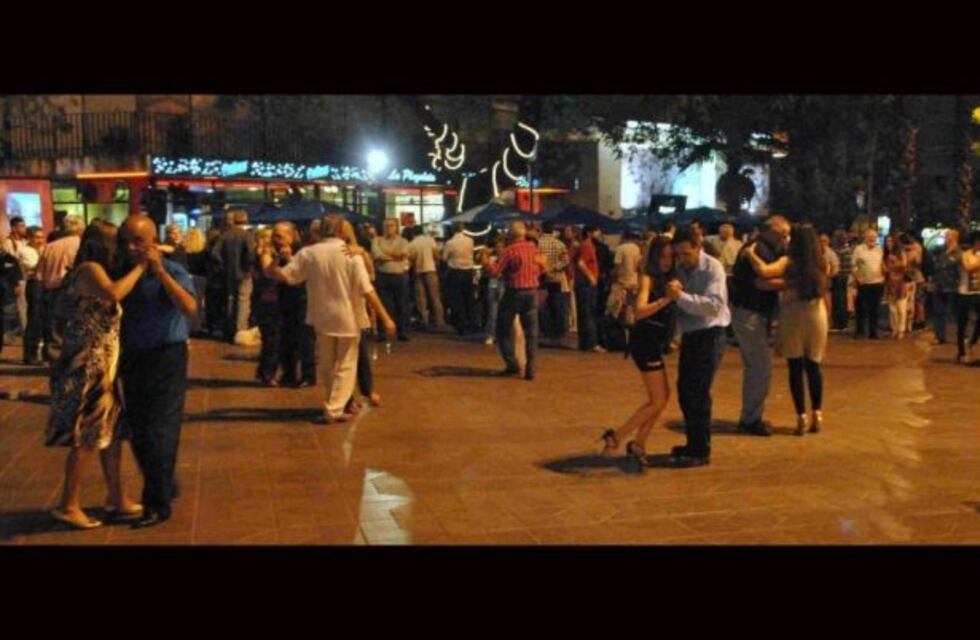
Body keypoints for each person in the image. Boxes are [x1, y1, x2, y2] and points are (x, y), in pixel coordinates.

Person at [45, 220, 148, 530]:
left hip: (104, 364)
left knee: (111, 435)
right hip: (88, 366)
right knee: (87, 438)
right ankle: (68, 504)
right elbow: (113, 293)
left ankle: (118, 497)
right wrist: (141, 267)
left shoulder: (91, 270)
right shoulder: (89, 269)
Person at [265, 215, 395, 423]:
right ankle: (334, 408)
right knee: (346, 364)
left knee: (327, 363)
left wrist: (276, 261)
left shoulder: (309, 253)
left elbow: (286, 277)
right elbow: (367, 289)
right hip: (349, 316)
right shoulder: (351, 255)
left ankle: (335, 402)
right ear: (341, 231)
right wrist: (385, 317)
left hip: (320, 315)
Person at [117, 214, 199, 528]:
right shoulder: (123, 271)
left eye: (137, 241)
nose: (131, 248)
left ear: (152, 240)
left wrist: (160, 271)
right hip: (133, 355)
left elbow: (189, 307)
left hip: (167, 355)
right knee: (138, 430)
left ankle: (157, 503)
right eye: (126, 241)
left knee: (160, 428)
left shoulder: (174, 269)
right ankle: (164, 482)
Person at [744, 223, 829, 436]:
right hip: (817, 315)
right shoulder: (821, 262)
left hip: (793, 316)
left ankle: (800, 416)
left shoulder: (788, 262)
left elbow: (763, 272)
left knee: (795, 367)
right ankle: (817, 413)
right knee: (814, 365)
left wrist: (750, 254)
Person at [600, 237, 677, 466]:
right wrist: (666, 300)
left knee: (662, 398)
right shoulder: (648, 279)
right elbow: (640, 311)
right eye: (663, 256)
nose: (667, 261)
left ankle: (639, 443)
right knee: (658, 400)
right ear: (653, 256)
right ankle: (618, 436)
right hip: (645, 343)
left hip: (653, 343)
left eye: (671, 256)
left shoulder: (667, 278)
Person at [666, 225, 731, 466]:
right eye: (678, 255)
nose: (682, 260)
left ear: (698, 247)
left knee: (699, 392)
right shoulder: (680, 269)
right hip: (692, 335)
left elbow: (713, 305)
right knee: (685, 390)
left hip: (711, 334)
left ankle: (701, 450)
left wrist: (680, 298)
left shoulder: (713, 268)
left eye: (686, 254)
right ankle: (693, 442)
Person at [729, 215, 792, 436]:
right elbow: (761, 282)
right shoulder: (756, 249)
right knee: (759, 368)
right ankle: (750, 419)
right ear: (770, 231)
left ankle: (751, 415)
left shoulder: (768, 249)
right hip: (749, 314)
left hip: (754, 314)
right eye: (781, 234)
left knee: (757, 368)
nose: (785, 239)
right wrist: (792, 283)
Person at [480, 221, 548, 380]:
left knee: (502, 329)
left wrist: (485, 263)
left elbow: (495, 272)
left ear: (511, 234)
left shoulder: (509, 251)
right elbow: (544, 267)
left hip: (514, 292)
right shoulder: (534, 248)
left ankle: (512, 364)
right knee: (531, 332)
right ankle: (530, 368)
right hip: (532, 291)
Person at [341, 220, 388, 408]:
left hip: (355, 308)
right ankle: (348, 397)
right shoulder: (328, 251)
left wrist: (362, 254)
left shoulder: (357, 252)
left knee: (359, 355)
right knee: (344, 359)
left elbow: (370, 277)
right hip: (344, 308)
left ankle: (365, 390)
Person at [35, 214, 85, 362]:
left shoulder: (49, 247)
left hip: (49, 292)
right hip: (72, 292)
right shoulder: (81, 245)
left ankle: (55, 365)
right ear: (81, 228)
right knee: (74, 332)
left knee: (54, 333)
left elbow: (38, 275)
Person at [272, 221, 316, 388]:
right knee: (286, 337)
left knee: (305, 339)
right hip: (284, 297)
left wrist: (288, 258)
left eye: (279, 236)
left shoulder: (302, 251)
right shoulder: (275, 251)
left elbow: (302, 275)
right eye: (274, 236)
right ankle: (288, 373)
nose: (276, 240)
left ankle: (308, 375)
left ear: (291, 236)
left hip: (302, 298)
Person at [211, 210, 255, 344]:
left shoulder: (225, 235)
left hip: (228, 273)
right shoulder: (247, 235)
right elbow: (251, 254)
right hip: (244, 273)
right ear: (245, 220)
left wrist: (223, 264)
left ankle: (228, 330)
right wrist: (248, 268)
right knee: (243, 301)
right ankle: (240, 330)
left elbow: (215, 253)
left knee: (230, 300)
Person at [372, 218, 411, 342]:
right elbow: (377, 255)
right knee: (382, 304)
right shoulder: (377, 240)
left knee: (401, 304)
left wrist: (386, 255)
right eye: (386, 226)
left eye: (391, 225)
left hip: (399, 275)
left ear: (397, 227)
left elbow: (404, 254)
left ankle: (402, 331)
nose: (389, 228)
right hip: (383, 276)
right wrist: (395, 255)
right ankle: (382, 332)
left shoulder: (403, 241)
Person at [253, 228, 281, 386]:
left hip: (266, 297)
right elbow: (268, 273)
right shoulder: (265, 253)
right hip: (268, 298)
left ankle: (265, 371)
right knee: (272, 338)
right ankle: (267, 373)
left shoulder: (264, 252)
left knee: (270, 338)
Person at [407, 226, 446, 331]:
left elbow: (410, 259)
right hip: (431, 270)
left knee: (421, 299)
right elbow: (436, 255)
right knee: (435, 297)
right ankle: (440, 321)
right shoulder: (430, 240)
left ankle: (424, 321)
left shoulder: (412, 244)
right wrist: (437, 264)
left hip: (418, 272)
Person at [929, 228, 962, 346]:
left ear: (955, 238)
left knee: (956, 313)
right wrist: (932, 281)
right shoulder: (941, 251)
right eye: (946, 236)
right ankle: (939, 336)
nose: (946, 238)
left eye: (948, 236)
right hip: (939, 285)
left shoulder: (959, 252)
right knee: (938, 312)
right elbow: (936, 267)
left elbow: (960, 270)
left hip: (953, 286)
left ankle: (962, 336)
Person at [537, 221, 570, 340]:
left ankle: (546, 329)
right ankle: (558, 331)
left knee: (542, 305)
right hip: (556, 277)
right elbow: (566, 261)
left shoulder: (538, 244)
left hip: (541, 277)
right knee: (557, 304)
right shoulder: (559, 244)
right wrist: (555, 266)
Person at [443, 222, 477, 336]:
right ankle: (471, 323)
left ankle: (461, 325)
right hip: (468, 271)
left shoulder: (450, 243)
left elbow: (444, 257)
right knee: (468, 298)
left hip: (455, 272)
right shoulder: (470, 241)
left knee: (457, 300)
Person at [575, 224, 604, 353]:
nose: (599, 233)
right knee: (589, 313)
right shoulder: (587, 245)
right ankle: (591, 343)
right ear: (590, 232)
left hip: (583, 284)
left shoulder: (587, 245)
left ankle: (585, 343)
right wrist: (591, 277)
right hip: (586, 284)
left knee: (585, 313)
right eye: (597, 231)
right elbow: (581, 263)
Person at [852, 228, 885, 339]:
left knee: (875, 309)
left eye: (874, 237)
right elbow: (854, 265)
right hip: (863, 283)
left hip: (877, 282)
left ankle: (873, 332)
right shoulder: (859, 249)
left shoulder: (879, 250)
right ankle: (860, 331)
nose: (872, 238)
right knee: (861, 308)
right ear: (865, 238)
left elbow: (883, 264)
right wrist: (857, 277)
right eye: (869, 236)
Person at [19, 226, 46, 364]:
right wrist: (44, 258)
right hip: (33, 284)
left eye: (42, 237)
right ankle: (29, 355)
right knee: (34, 318)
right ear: (29, 237)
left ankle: (40, 352)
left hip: (44, 284)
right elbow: (34, 267)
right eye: (37, 237)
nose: (40, 240)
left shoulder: (43, 249)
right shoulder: (25, 251)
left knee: (42, 319)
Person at [955, 230, 980, 364]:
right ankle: (961, 351)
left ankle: (972, 343)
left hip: (978, 292)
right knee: (962, 322)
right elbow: (968, 267)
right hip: (966, 292)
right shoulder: (966, 255)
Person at [0, 233, 23, 358]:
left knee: (8, 316)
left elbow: (15, 274)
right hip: (5, 292)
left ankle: (9, 337)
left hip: (6, 293)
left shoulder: (9, 258)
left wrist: (17, 284)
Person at [482, 233, 506, 346]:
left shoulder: (505, 258)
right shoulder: (492, 258)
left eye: (501, 246)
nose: (499, 249)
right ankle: (491, 334)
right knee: (493, 311)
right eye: (497, 246)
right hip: (493, 284)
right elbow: (487, 272)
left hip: (502, 284)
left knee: (503, 312)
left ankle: (501, 335)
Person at [883, 234, 909, 339]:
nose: (889, 243)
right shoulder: (885, 254)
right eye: (887, 241)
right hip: (890, 282)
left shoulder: (900, 253)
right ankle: (894, 328)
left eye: (891, 241)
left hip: (900, 282)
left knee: (901, 308)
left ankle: (901, 329)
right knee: (892, 309)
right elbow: (884, 268)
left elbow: (904, 265)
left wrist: (895, 261)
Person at [830, 229, 852, 331]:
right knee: (842, 300)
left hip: (838, 277)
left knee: (838, 300)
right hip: (845, 277)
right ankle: (843, 323)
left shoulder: (837, 252)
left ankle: (839, 323)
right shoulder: (849, 251)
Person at [820, 233, 840, 329]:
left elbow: (835, 268)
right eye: (821, 241)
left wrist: (830, 275)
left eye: (824, 241)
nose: (822, 243)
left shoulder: (831, 254)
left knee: (827, 303)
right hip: (816, 282)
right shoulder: (815, 252)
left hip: (827, 282)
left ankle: (828, 323)